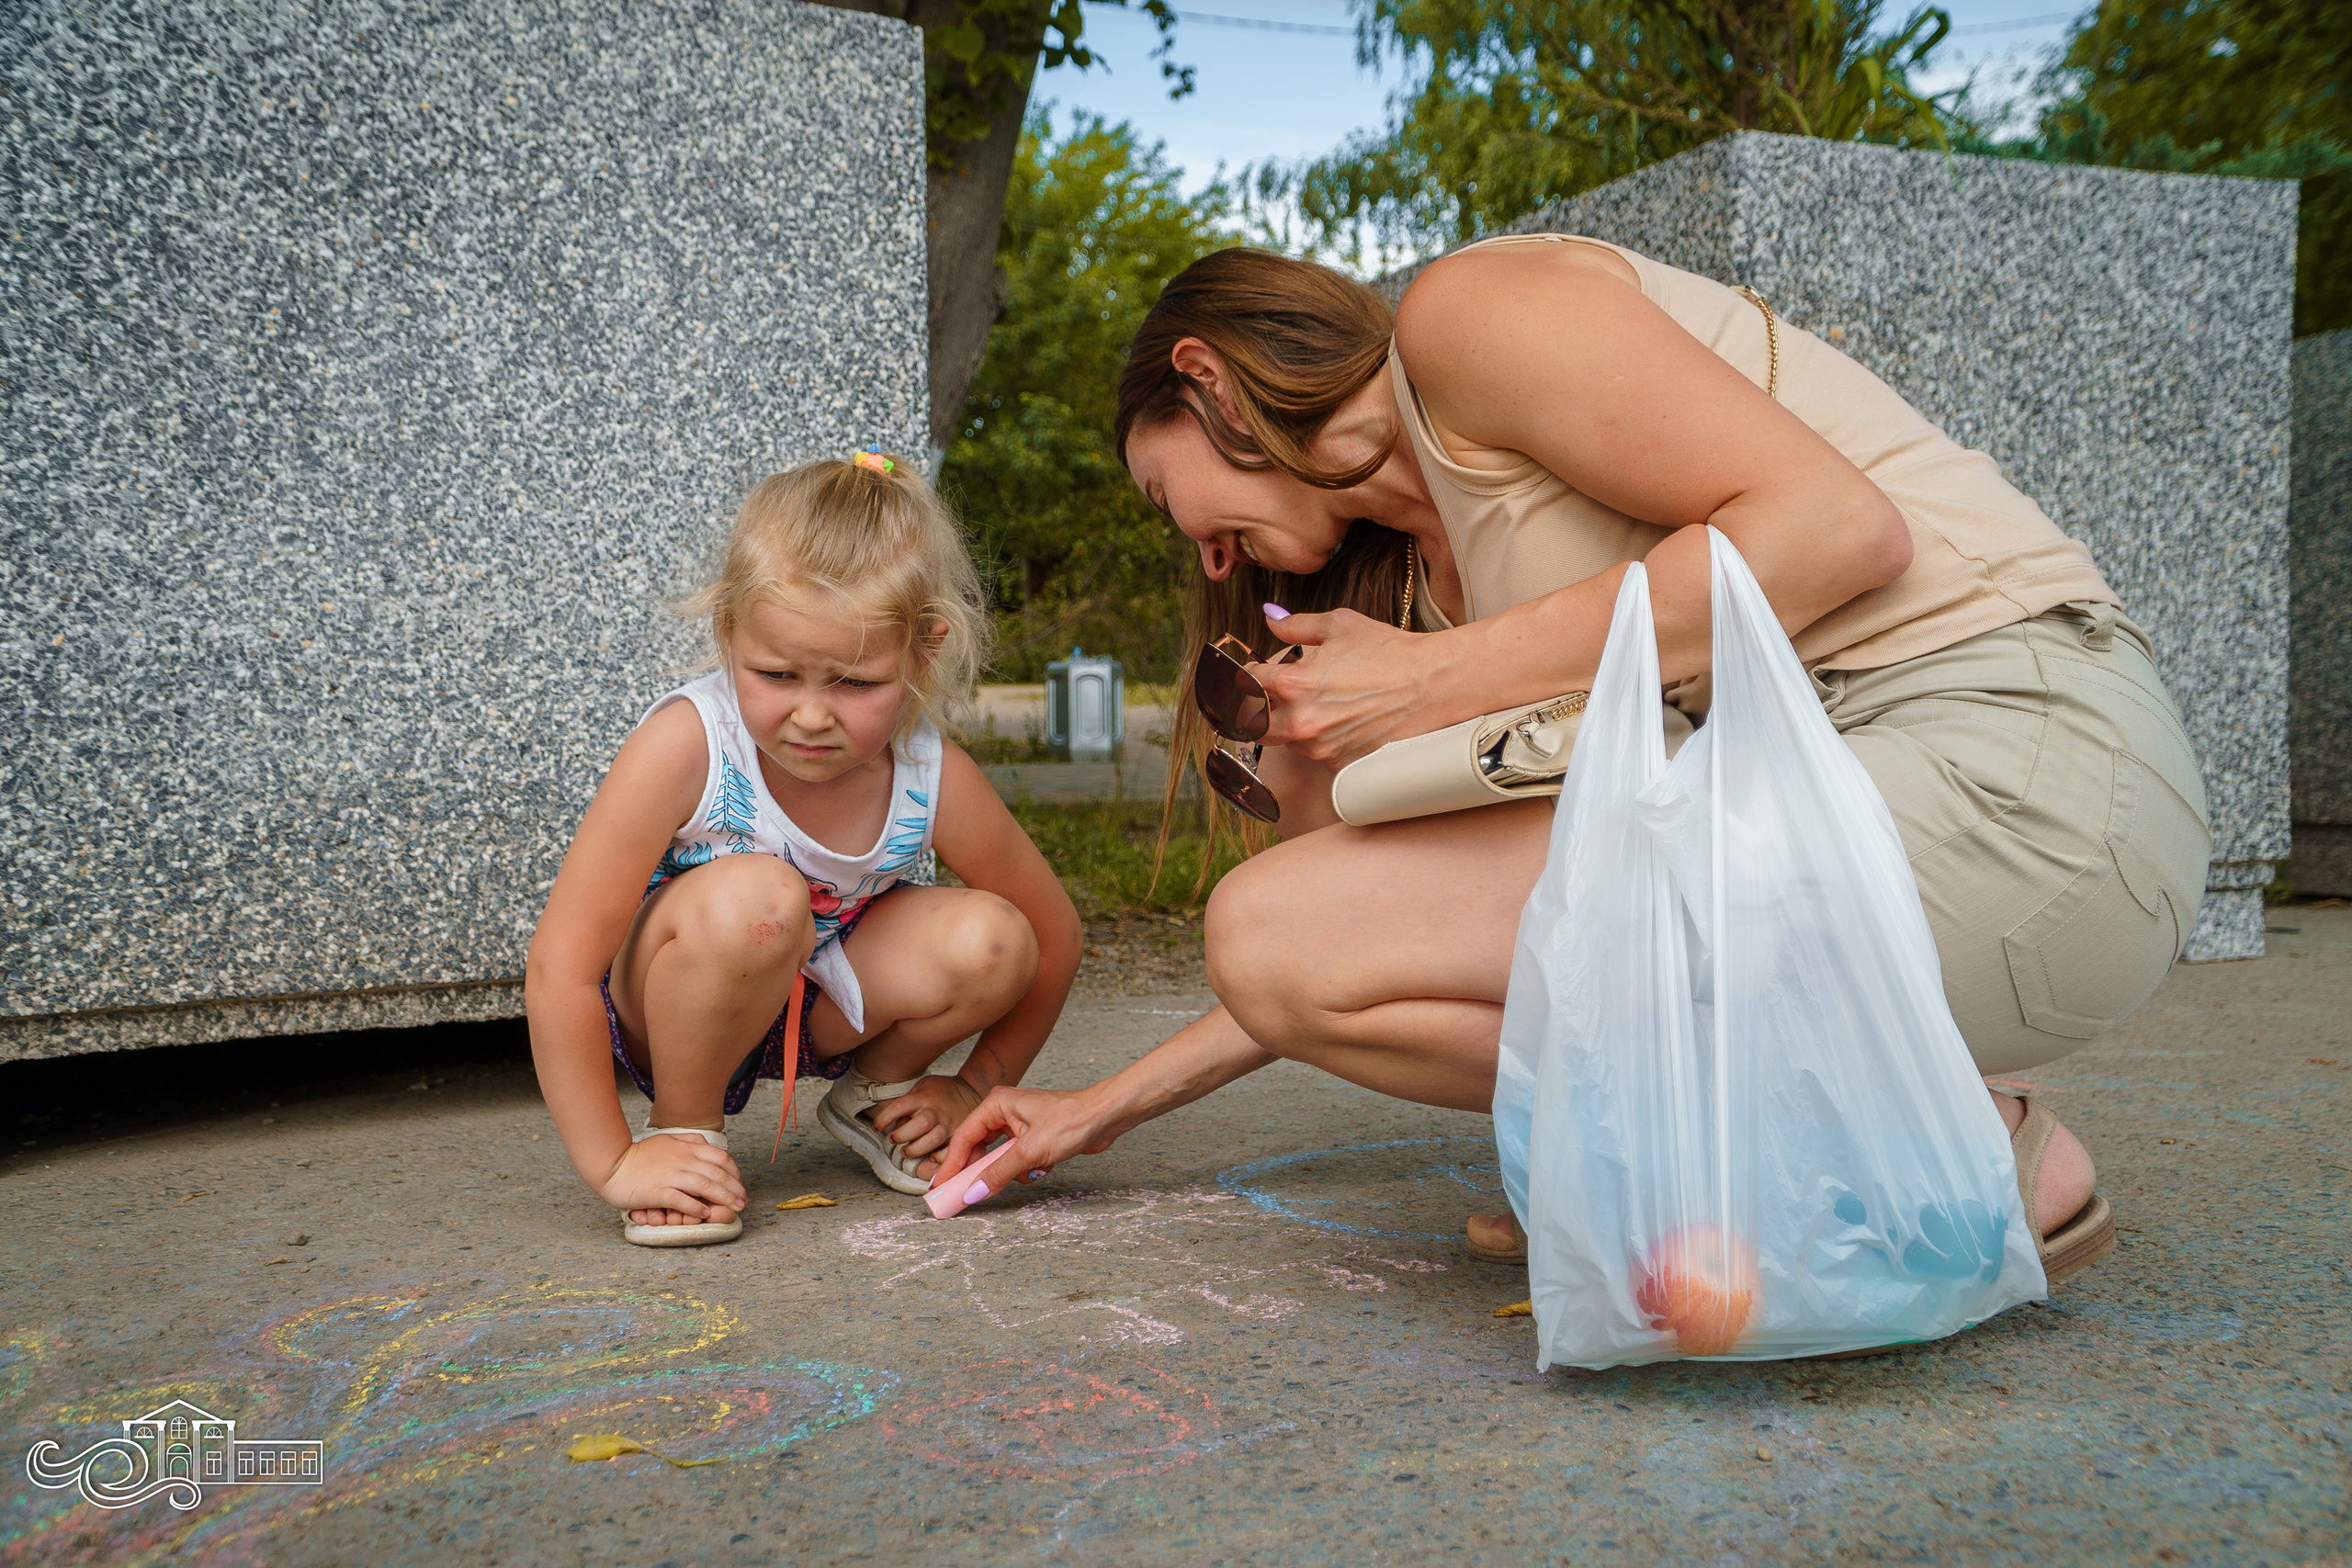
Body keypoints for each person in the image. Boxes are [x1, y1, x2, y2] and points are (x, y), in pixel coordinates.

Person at [936, 242, 2213, 1286]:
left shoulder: (1464, 322)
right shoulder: (1429, 591)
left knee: (1291, 923)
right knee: (1281, 929)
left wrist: (1440, 678)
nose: (1212, 563)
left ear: (1207, 377)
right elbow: (1362, 948)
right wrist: (1101, 1105)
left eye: (1173, 504)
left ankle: (1945, 1144)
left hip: (2029, 769)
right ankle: (1767, 1154)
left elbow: (1839, 529)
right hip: (1888, 832)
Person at [526, 452, 1081, 1247]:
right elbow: (561, 967)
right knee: (760, 900)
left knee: (996, 938)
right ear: (728, 631)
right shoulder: (687, 745)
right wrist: (612, 1160)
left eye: (855, 684)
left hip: (822, 1010)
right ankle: (682, 1134)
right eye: (778, 673)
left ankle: (875, 1098)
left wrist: (974, 1085)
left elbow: (1053, 934)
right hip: (682, 993)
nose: (813, 715)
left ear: (923, 653)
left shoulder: (929, 772)